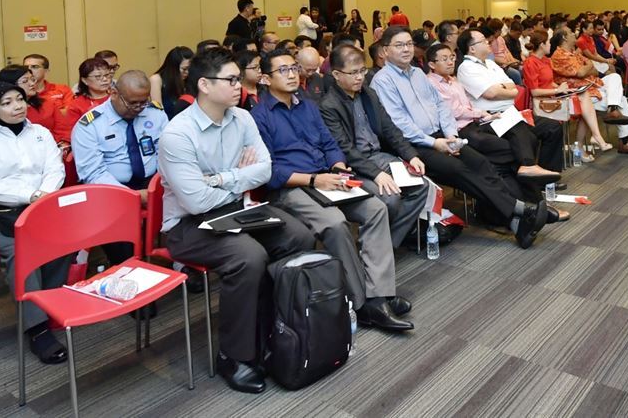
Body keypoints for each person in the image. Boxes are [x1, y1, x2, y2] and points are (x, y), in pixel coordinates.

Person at [158, 48, 315, 393]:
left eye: (238, 79)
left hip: (236, 209)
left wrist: (220, 179)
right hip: (188, 225)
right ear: (204, 85)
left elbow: (265, 169)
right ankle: (235, 355)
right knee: (248, 256)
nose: (238, 86)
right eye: (230, 80)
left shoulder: (242, 118)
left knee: (299, 235)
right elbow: (196, 201)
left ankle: (276, 329)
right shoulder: (178, 134)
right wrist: (239, 178)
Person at [252, 49, 413, 331]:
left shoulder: (307, 106)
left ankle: (379, 294)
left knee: (376, 208)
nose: (292, 75)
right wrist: (315, 180)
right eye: (283, 71)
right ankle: (363, 304)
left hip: (327, 178)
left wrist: (338, 167)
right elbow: (270, 171)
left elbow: (329, 144)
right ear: (265, 79)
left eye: (294, 68)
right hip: (292, 187)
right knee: (335, 223)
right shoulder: (259, 116)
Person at [371, 26, 547, 248]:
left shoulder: (417, 73)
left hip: (442, 135)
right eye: (399, 45)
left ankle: (515, 221)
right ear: (385, 50)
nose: (406, 49)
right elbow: (398, 123)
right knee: (459, 170)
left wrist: (450, 135)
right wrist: (435, 142)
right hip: (413, 145)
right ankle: (520, 210)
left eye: (408, 44)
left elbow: (441, 106)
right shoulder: (382, 81)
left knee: (480, 162)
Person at [0, 82, 69, 364]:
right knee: (21, 249)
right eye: (6, 103)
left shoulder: (40, 133)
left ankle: (47, 302)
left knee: (67, 238)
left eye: (19, 99)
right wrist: (30, 196)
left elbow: (54, 168)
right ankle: (37, 328)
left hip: (37, 207)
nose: (18, 106)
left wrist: (43, 196)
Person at [320, 45, 430, 245]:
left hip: (379, 156)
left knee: (420, 186)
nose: (360, 77)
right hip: (354, 166)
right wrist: (377, 174)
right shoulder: (329, 105)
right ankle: (380, 246)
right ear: (336, 74)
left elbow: (389, 128)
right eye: (353, 73)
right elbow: (345, 149)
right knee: (390, 197)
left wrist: (411, 155)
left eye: (362, 71)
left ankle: (387, 243)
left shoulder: (368, 93)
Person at [71, 70, 167, 266]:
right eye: (133, 103)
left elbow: (167, 154)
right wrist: (132, 196)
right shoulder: (90, 125)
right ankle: (126, 268)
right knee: (124, 249)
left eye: (143, 102)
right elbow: (93, 173)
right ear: (114, 93)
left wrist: (158, 186)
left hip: (152, 182)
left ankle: (181, 266)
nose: (139, 108)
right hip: (110, 189)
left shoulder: (155, 114)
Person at [454, 30, 565, 173]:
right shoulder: (466, 68)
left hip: (511, 112)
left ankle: (547, 178)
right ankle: (528, 167)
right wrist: (503, 89)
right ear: (472, 49)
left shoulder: (490, 63)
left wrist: (500, 88)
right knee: (522, 130)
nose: (488, 42)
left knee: (553, 127)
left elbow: (514, 87)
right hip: (490, 117)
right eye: (483, 40)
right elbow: (491, 93)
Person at [548, 26, 628, 154]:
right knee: (621, 99)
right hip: (580, 93)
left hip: (593, 85)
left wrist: (588, 68)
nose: (574, 34)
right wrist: (588, 66)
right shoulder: (559, 56)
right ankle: (624, 139)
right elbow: (581, 73)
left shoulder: (573, 53)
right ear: (564, 37)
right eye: (571, 32)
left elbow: (594, 70)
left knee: (615, 77)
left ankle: (613, 109)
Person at [522, 30, 614, 155]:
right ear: (542, 45)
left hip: (554, 96)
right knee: (585, 106)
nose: (550, 44)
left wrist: (565, 89)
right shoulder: (530, 63)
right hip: (543, 103)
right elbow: (534, 92)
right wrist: (557, 90)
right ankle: (590, 141)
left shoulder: (545, 60)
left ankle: (592, 139)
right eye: (548, 42)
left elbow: (550, 82)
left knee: (584, 99)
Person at [0, 65, 66, 144]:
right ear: (10, 84)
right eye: (25, 81)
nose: (32, 84)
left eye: (32, 79)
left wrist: (62, 144)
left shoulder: (47, 103)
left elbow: (63, 129)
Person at [56, 57, 113, 142]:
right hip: (89, 142)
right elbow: (72, 132)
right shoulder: (77, 105)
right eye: (98, 76)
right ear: (84, 80)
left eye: (107, 75)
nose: (105, 79)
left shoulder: (117, 97)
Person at [150, 47, 194, 118]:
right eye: (184, 69)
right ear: (173, 67)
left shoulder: (192, 79)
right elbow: (158, 111)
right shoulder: (157, 79)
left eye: (190, 69)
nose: (187, 72)